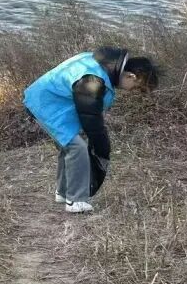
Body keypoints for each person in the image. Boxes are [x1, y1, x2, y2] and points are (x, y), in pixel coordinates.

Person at [24, 47, 158, 214]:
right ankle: (75, 201)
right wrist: (101, 145)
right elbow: (90, 117)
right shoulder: (94, 80)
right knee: (77, 148)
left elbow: (89, 110)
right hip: (44, 105)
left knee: (69, 147)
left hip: (48, 101)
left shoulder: (101, 63)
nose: (133, 91)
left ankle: (63, 192)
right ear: (131, 76)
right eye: (137, 87)